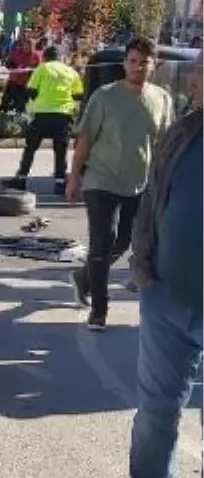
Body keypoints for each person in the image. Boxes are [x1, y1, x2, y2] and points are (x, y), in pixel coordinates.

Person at [122, 50, 204, 478]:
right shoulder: (184, 132)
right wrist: (143, 267)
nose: (198, 78)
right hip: (168, 301)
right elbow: (153, 198)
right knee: (157, 414)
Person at [66, 37, 174, 331]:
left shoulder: (162, 99)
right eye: (133, 61)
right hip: (101, 179)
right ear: (125, 63)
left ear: (155, 65)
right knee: (101, 242)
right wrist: (74, 176)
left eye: (144, 62)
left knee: (123, 242)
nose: (137, 67)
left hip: (139, 183)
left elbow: (164, 145)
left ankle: (84, 278)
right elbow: (85, 138)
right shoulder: (105, 96)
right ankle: (99, 310)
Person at [3, 45, 84, 195]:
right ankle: (59, 183)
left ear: (45, 57)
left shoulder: (42, 68)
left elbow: (31, 90)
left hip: (42, 114)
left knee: (31, 148)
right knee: (60, 151)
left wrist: (35, 104)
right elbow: (78, 94)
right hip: (63, 115)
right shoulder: (71, 72)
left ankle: (21, 179)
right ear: (61, 58)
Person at [2, 34, 42, 114]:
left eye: (29, 46)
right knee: (6, 100)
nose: (26, 47)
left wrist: (31, 70)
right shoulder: (17, 52)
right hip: (14, 80)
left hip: (26, 82)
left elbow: (39, 67)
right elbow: (8, 63)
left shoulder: (36, 55)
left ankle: (19, 115)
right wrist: (14, 66)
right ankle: (3, 113)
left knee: (21, 103)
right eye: (25, 45)